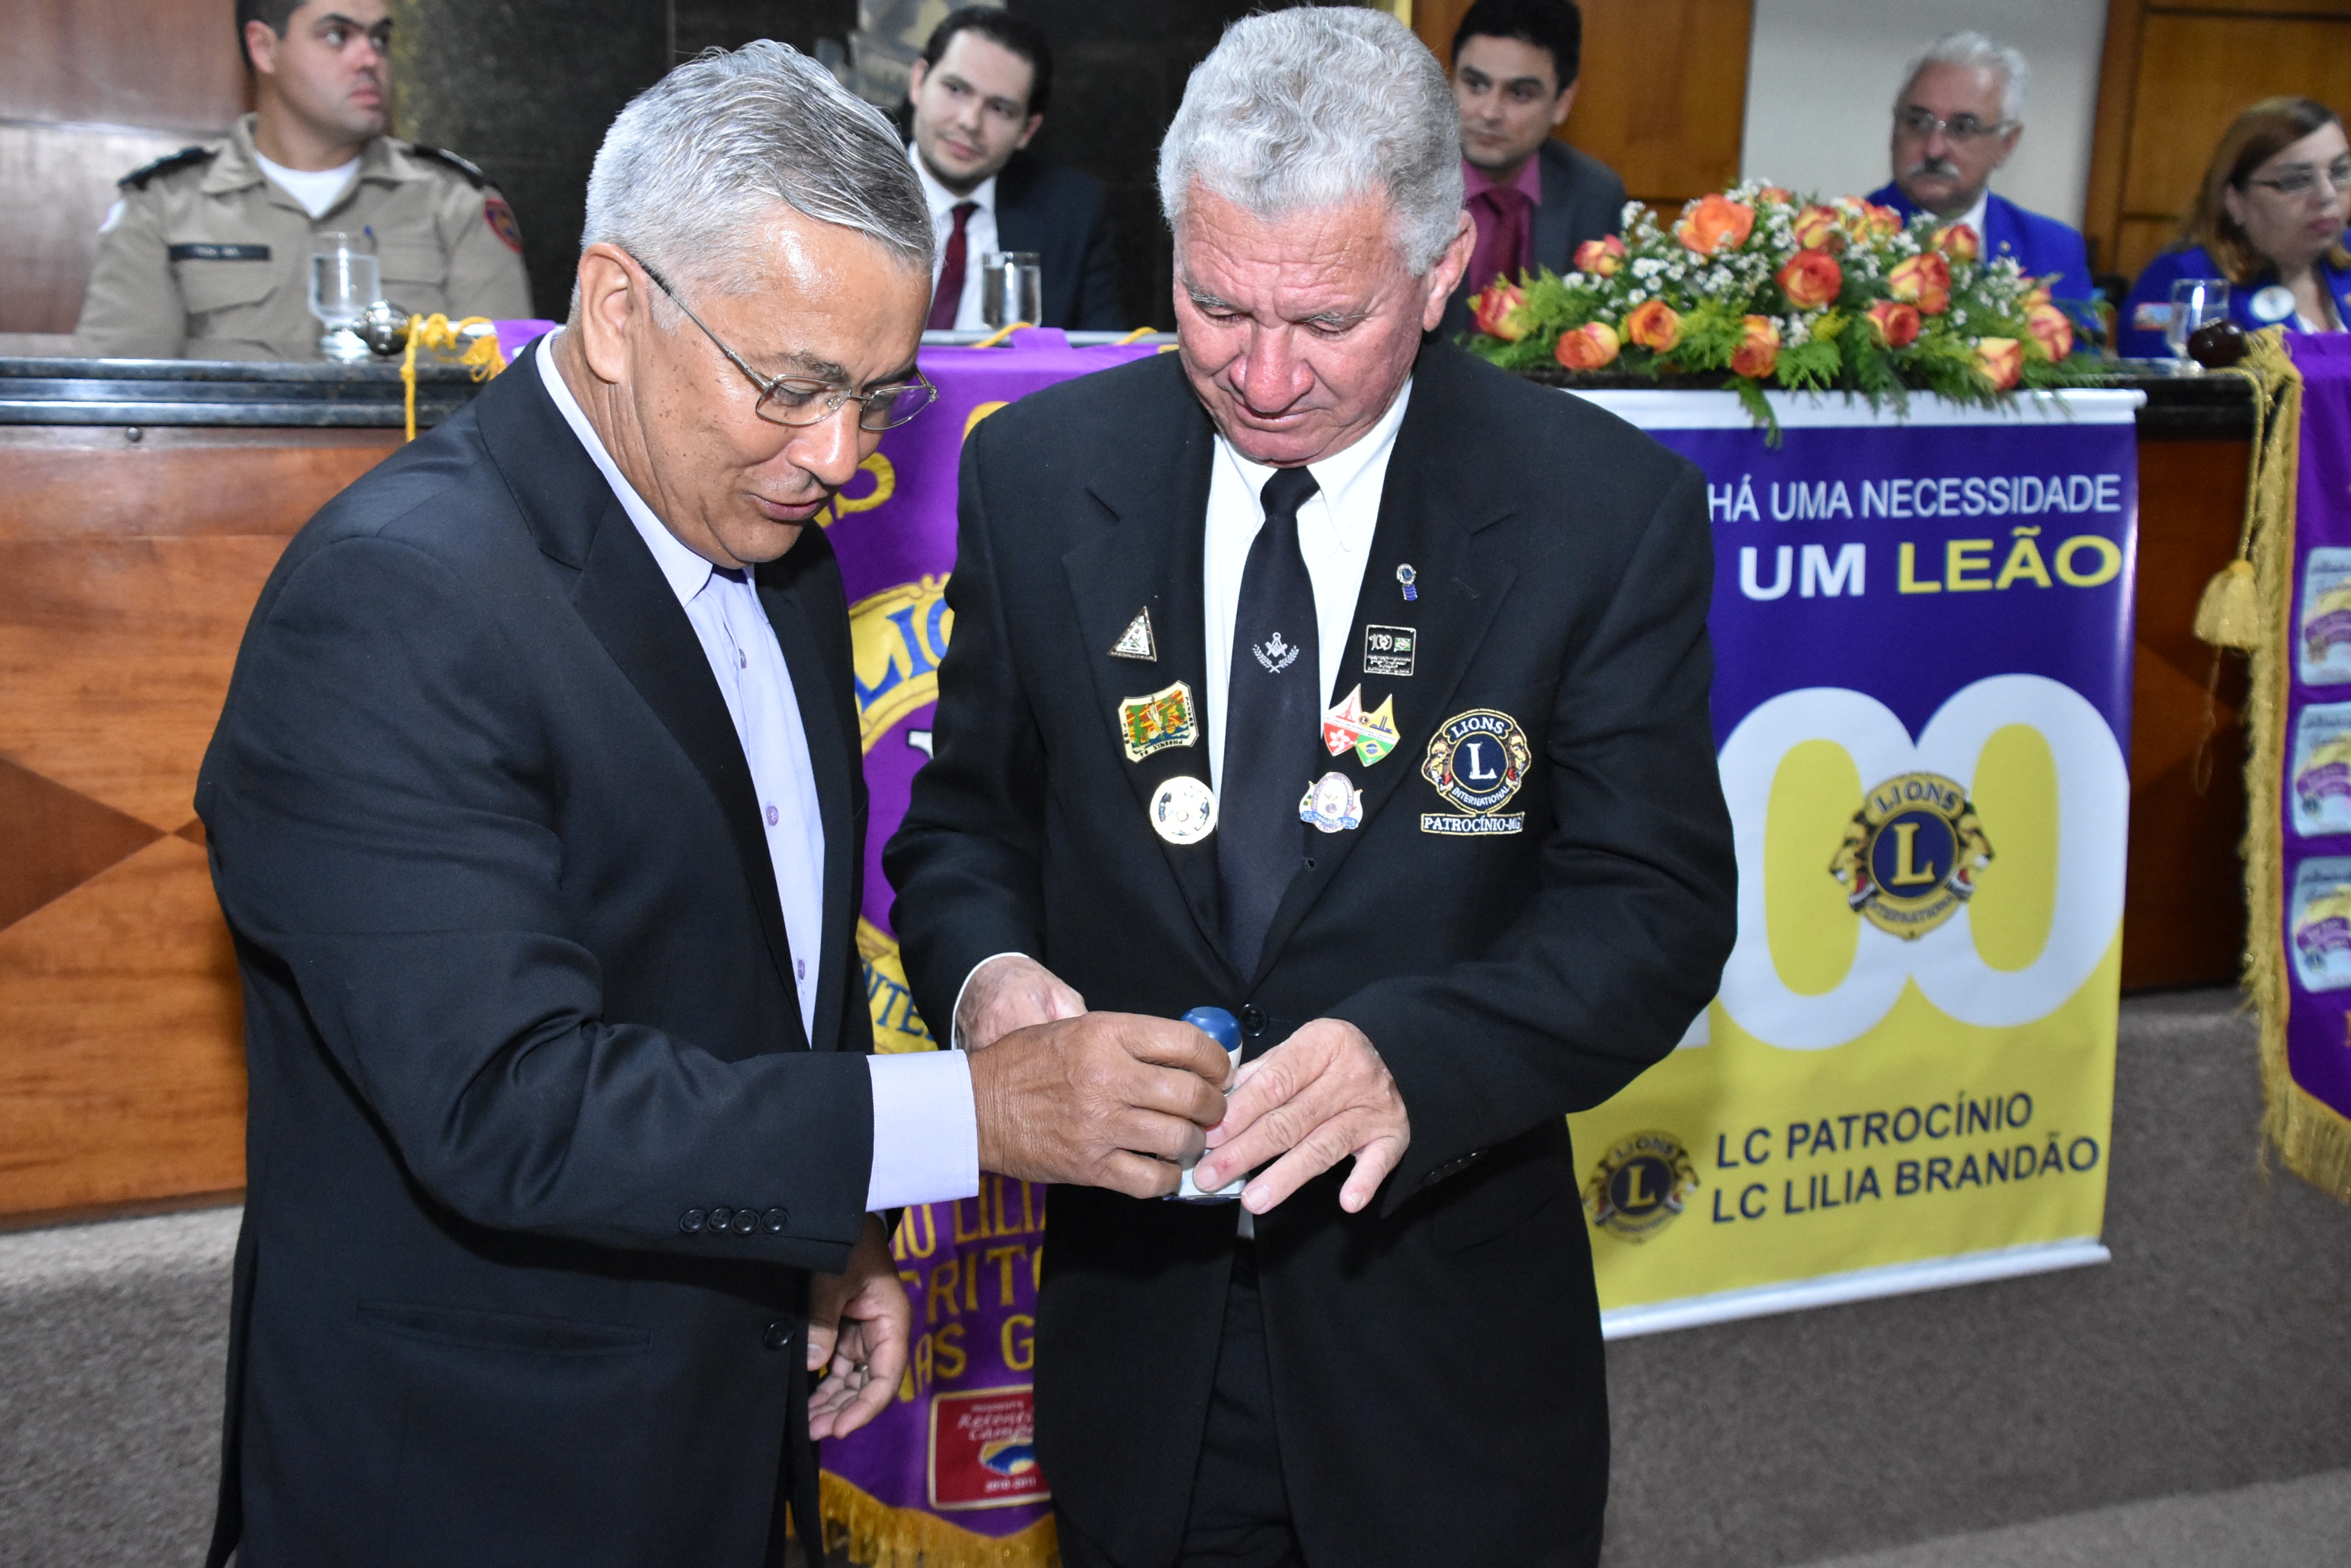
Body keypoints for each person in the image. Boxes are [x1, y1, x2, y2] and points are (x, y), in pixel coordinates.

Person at [194, 42, 1230, 1568]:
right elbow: (509, 1105)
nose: (840, 458)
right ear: (618, 308)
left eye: (879, 397)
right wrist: (975, 1114)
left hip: (721, 1417)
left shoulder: (769, 547)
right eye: (793, 388)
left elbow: (760, 974)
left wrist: (835, 1235)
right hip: (475, 1465)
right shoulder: (395, 604)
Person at [885, 10, 1735, 1567]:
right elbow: (969, 826)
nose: (1264, 376)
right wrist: (990, 980)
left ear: (1440, 269)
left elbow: (1654, 908)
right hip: (1136, 1338)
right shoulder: (1038, 473)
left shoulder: (1599, 513)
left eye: (1328, 320)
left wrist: (1416, 1059)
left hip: (1441, 1348)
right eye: (1214, 305)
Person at [75, 0, 532, 360]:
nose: (369, 59)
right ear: (264, 48)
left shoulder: (456, 202)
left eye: (380, 38)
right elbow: (116, 396)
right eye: (337, 36)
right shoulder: (165, 205)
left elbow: (507, 384)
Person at [905, 7, 1123, 332]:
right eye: (956, 90)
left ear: (1027, 130)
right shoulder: (844, 186)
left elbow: (1103, 354)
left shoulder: (1072, 213)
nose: (970, 122)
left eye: (999, 108)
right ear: (919, 82)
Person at [1866, 31, 2094, 313]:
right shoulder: (1839, 240)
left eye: (1963, 127)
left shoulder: (2055, 250)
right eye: (1918, 122)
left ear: (2006, 144)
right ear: (1894, 129)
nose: (1934, 149)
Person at [1441, 0, 1624, 337]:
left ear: (1562, 103)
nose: (1490, 112)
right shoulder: (1403, 182)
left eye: (1520, 93)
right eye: (1476, 85)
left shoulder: (1594, 195)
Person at [2119, 97, 2351, 359]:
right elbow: (2161, 381)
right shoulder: (2184, 278)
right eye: (2297, 180)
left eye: (2341, 171)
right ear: (2235, 201)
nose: (2327, 195)